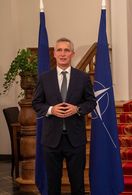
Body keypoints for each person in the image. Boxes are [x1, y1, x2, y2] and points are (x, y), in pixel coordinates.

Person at [32, 37, 96, 195]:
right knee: (53, 184)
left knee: (78, 183)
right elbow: (36, 103)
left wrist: (78, 109)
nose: (62, 53)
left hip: (75, 140)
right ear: (54, 54)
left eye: (66, 50)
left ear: (72, 54)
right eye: (59, 50)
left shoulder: (82, 78)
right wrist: (51, 110)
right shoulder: (44, 78)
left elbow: (91, 102)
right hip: (51, 140)